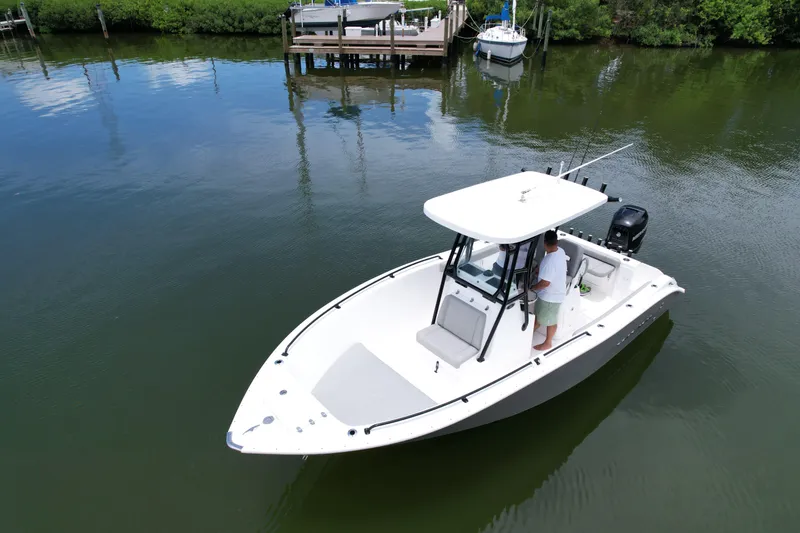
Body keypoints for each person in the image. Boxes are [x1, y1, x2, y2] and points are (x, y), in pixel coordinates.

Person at [530, 230, 567, 351]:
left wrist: (532, 288)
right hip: (555, 291)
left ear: (545, 243)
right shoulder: (560, 251)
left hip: (551, 296)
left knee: (550, 320)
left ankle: (548, 343)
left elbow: (545, 283)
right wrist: (539, 271)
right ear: (556, 242)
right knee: (539, 316)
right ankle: (528, 334)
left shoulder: (549, 261)